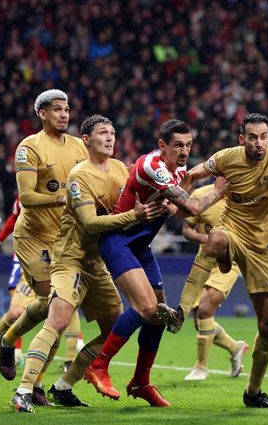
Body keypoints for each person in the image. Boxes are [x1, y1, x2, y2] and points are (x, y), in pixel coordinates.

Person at [9, 115, 163, 412]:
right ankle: (24, 390)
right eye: (103, 133)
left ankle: (64, 385)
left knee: (113, 329)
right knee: (58, 319)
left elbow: (143, 194)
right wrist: (135, 216)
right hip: (70, 259)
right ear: (86, 140)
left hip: (97, 262)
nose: (109, 137)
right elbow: (91, 223)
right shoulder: (79, 175)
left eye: (113, 132)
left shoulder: (121, 170)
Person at [84, 119, 227, 407]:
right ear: (162, 145)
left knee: (158, 316)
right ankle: (98, 366)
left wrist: (190, 183)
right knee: (147, 307)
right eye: (178, 145)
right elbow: (193, 208)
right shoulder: (153, 166)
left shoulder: (179, 169)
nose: (184, 151)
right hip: (118, 241)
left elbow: (179, 214)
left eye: (188, 145)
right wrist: (220, 189)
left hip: (140, 246)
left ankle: (140, 382)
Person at [182, 113, 268, 409]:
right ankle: (180, 309)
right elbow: (193, 174)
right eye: (252, 137)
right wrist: (176, 190)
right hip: (231, 231)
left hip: (260, 247)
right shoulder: (226, 158)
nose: (259, 142)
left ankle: (253, 392)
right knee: (215, 239)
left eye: (264, 136)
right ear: (242, 139)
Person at [0, 89, 89, 408]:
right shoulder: (29, 147)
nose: (63, 115)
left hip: (64, 239)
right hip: (34, 237)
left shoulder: (79, 146)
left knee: (57, 308)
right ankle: (13, 348)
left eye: (66, 109)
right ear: (42, 114)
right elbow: (26, 199)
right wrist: (60, 197)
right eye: (56, 110)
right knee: (55, 305)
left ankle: (24, 365)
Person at [0, 197, 84, 374]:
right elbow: (14, 217)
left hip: (59, 260)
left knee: (67, 306)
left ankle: (69, 360)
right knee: (14, 314)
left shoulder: (69, 193)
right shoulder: (27, 195)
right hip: (30, 259)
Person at [178, 185, 249, 381]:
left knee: (205, 310)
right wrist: (209, 239)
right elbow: (187, 230)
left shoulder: (245, 193)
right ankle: (235, 348)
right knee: (199, 321)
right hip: (204, 260)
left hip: (230, 261)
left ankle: (201, 367)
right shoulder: (201, 195)